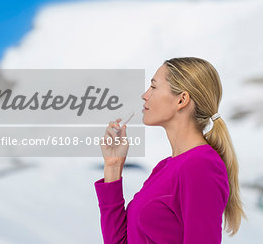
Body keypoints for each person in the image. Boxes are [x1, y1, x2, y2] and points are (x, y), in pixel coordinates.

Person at [94, 57, 246, 243]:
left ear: (182, 99)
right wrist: (113, 166)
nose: (145, 95)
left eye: (154, 86)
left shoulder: (200, 165)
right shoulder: (165, 168)